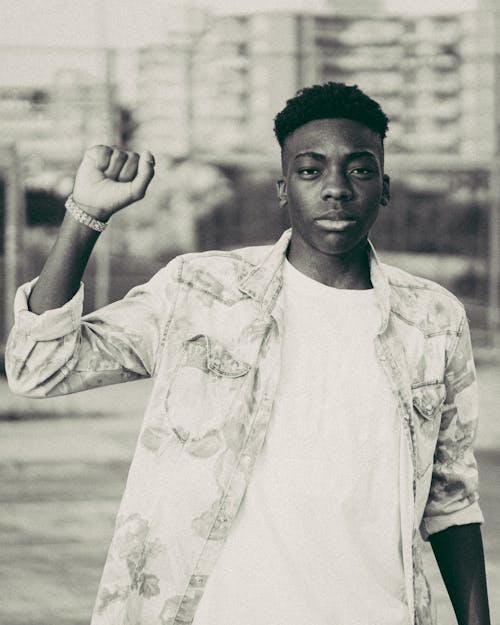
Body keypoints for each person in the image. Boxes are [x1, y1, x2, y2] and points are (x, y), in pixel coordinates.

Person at [6, 82, 490, 625]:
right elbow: (38, 368)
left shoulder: (433, 319)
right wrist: (85, 215)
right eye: (310, 170)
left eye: (359, 169)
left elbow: (451, 501)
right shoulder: (203, 291)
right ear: (283, 189)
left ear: (384, 187)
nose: (336, 189)